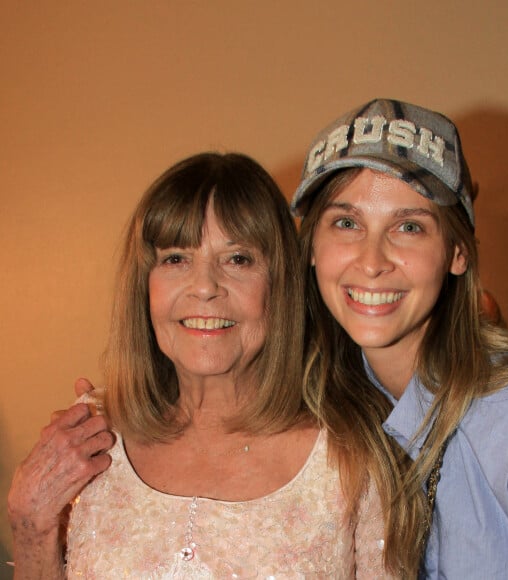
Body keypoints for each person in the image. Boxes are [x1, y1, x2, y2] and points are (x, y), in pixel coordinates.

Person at [8, 152, 389, 578]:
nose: (205, 287)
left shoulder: (353, 459)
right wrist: (29, 525)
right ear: (144, 287)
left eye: (238, 259)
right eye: (176, 259)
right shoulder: (89, 439)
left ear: (279, 285)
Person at [292, 98, 508, 579]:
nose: (372, 260)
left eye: (409, 227)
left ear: (457, 253)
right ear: (313, 250)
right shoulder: (320, 405)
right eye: (346, 223)